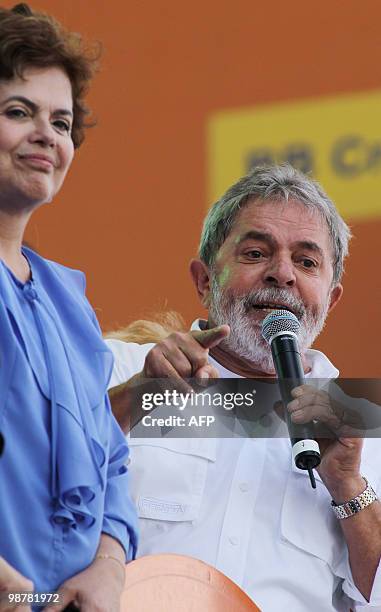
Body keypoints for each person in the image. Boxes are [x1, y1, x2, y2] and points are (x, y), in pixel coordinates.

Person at [106, 164, 381, 611]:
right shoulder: (120, 371)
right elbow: (30, 491)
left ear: (330, 300)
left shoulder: (365, 424)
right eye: (255, 253)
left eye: (307, 262)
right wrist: (130, 400)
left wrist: (349, 485)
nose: (282, 274)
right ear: (203, 279)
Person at [0, 4, 138, 611]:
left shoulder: (68, 302)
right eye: (17, 112)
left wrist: (109, 562)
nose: (46, 136)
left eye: (61, 122)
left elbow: (112, 464)